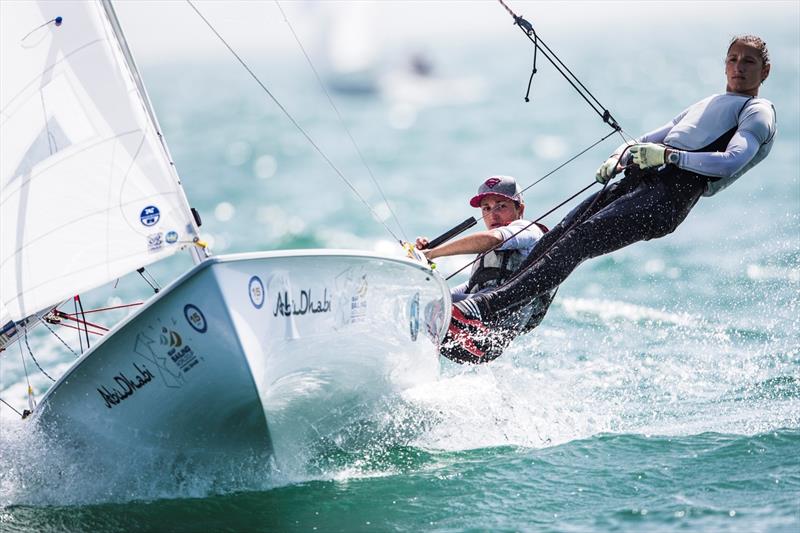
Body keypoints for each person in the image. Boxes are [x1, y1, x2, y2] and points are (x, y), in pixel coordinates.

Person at [451, 35, 777, 360]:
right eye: (733, 59)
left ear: (764, 71)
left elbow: (732, 160)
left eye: (748, 61)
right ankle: (488, 323)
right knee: (557, 236)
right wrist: (619, 155)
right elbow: (650, 138)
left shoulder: (757, 112)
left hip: (667, 198)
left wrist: (670, 157)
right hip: (637, 183)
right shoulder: (708, 103)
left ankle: (482, 308)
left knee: (579, 241)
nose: (738, 67)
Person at [416, 175, 556, 363]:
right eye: (486, 208)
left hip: (496, 325)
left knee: (435, 310)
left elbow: (494, 238)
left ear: (520, 209)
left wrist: (433, 253)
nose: (493, 215)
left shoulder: (527, 230)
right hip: (478, 329)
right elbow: (461, 291)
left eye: (501, 206)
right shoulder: (488, 256)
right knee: (426, 307)